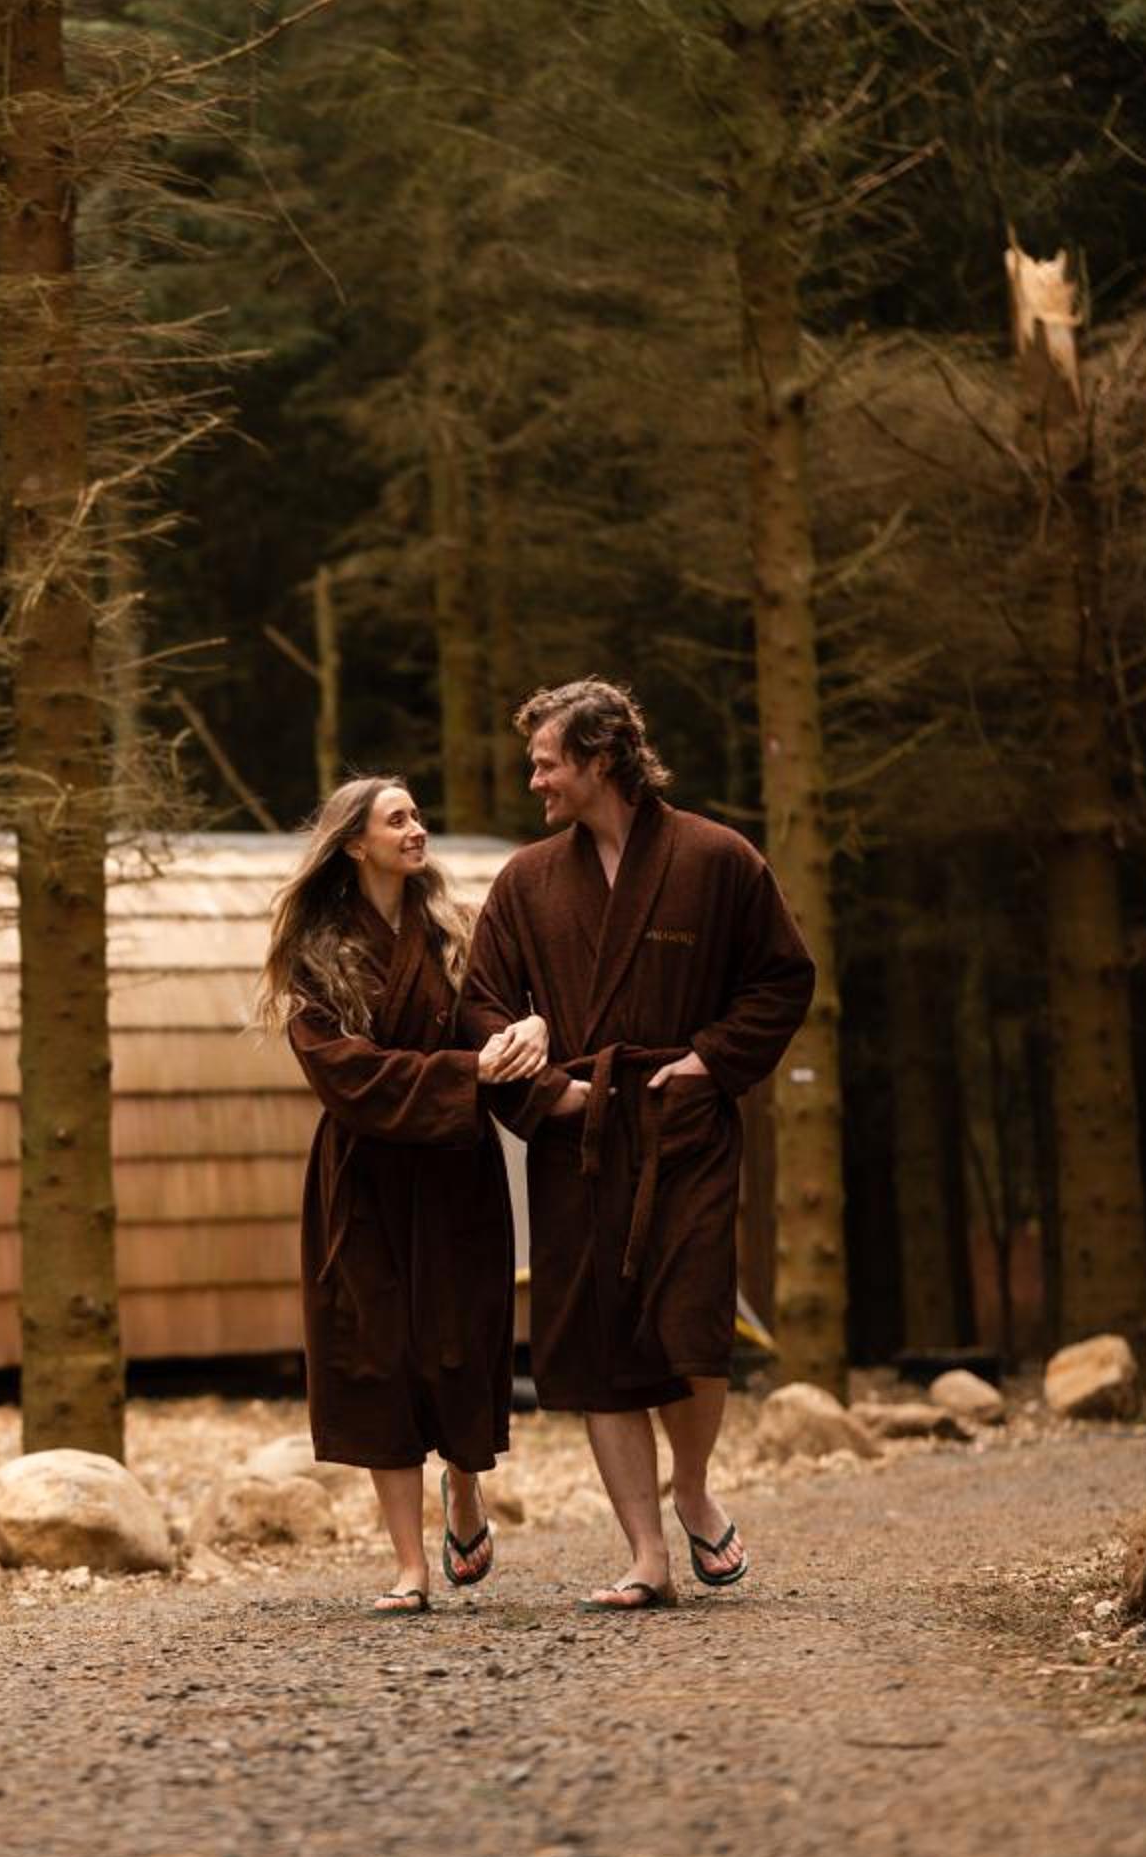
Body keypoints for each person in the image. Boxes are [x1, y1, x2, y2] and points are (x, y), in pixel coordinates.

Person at [464, 679, 815, 1611]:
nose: (535, 780)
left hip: (681, 1128)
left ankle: (691, 1487)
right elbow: (480, 1006)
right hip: (578, 1137)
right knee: (596, 1346)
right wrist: (550, 1090)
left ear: (600, 758)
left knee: (693, 1327)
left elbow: (782, 978)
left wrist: (708, 1062)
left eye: (547, 762)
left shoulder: (716, 859)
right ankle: (645, 1553)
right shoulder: (527, 880)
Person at [259, 775, 549, 1615]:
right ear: (356, 843)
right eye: (398, 820)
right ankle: (409, 1566)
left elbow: (501, 1017)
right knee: (377, 1358)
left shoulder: (457, 932)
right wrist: (467, 1072)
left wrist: (529, 1029)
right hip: (365, 1180)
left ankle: (463, 1482)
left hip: (456, 1172)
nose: (418, 829)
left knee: (457, 1344)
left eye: (419, 815)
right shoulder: (315, 955)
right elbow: (344, 1074)